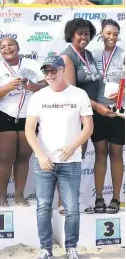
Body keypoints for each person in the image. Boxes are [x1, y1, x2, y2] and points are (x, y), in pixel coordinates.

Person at [25, 55, 93, 259]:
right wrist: (40, 155)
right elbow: (29, 129)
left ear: (63, 70)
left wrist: (73, 147)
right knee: (43, 207)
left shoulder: (79, 94)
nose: (49, 75)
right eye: (46, 71)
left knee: (72, 209)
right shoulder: (38, 96)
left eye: (53, 70)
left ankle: (71, 248)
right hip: (44, 161)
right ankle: (46, 249)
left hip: (70, 162)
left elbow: (88, 127)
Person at [0, 37, 47, 207]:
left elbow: (47, 86)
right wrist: (8, 87)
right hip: (3, 115)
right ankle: (2, 196)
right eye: (3, 47)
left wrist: (33, 86)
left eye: (10, 45)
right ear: (0, 51)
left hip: (29, 115)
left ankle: (19, 195)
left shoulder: (32, 65)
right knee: (5, 158)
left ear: (18, 47)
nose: (7, 48)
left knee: (23, 157)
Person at [59, 18, 101, 215]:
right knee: (71, 159)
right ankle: (63, 204)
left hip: (89, 112)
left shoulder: (88, 54)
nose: (84, 37)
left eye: (87, 34)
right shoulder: (68, 57)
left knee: (79, 158)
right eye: (80, 34)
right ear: (72, 35)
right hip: (75, 114)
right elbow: (73, 92)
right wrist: (98, 107)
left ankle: (72, 202)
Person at [91, 19, 125, 214]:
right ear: (101, 34)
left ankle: (116, 199)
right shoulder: (93, 54)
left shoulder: (123, 54)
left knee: (116, 154)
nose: (111, 37)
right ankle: (99, 198)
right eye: (108, 33)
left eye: (114, 34)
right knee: (100, 152)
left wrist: (123, 93)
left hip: (118, 110)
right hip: (98, 110)